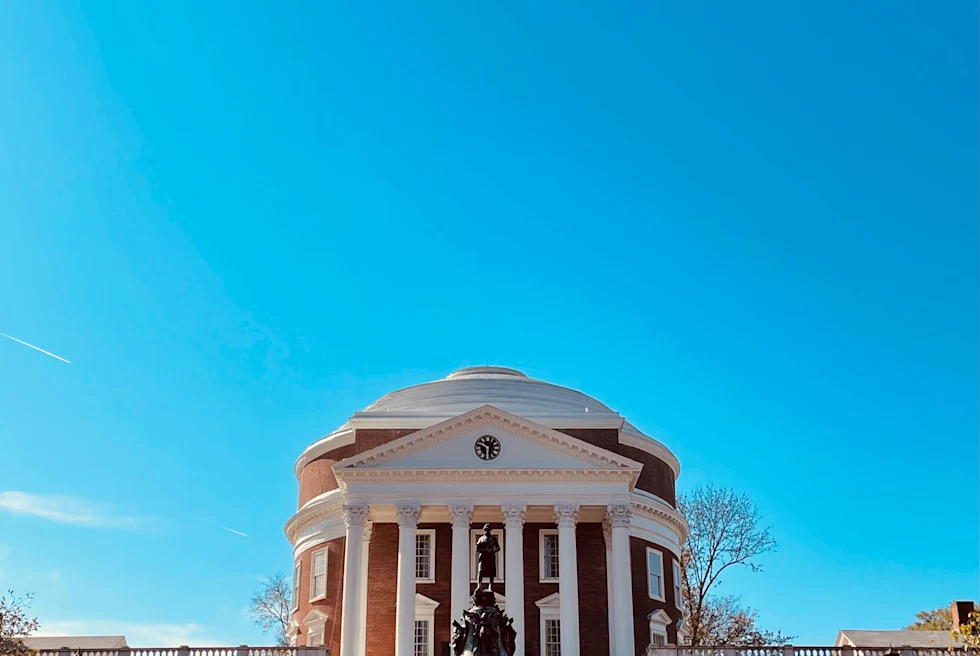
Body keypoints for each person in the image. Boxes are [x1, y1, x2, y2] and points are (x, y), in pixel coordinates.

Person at [475, 523, 500, 590]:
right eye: (486, 529)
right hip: (483, 557)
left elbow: (498, 548)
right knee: (480, 571)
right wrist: (482, 548)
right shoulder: (481, 538)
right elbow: (477, 548)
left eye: (488, 530)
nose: (487, 531)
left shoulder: (493, 539)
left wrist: (492, 549)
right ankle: (479, 585)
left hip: (490, 556)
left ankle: (490, 586)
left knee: (491, 572)